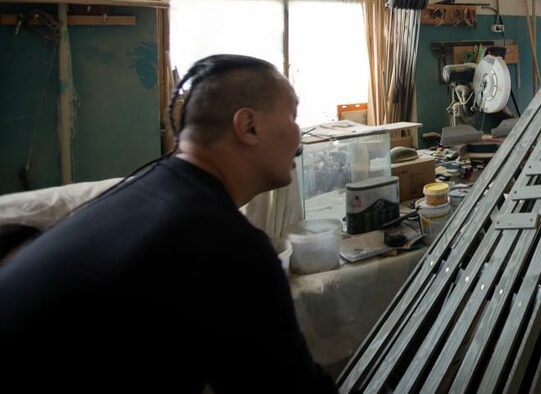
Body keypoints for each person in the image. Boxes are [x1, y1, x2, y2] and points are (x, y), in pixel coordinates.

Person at [0, 54, 338, 393]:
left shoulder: (143, 191)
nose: (299, 133)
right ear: (248, 126)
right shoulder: (227, 245)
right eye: (293, 116)